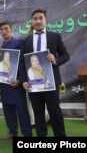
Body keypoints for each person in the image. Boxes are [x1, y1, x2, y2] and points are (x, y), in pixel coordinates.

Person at [19, 8, 69, 137]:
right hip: (34, 83)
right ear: (32, 21)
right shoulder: (26, 40)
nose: (38, 21)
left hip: (50, 82)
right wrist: (24, 80)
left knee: (55, 112)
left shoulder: (54, 36)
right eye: (35, 19)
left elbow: (65, 55)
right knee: (38, 113)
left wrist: (55, 60)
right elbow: (23, 62)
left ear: (45, 19)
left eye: (41, 18)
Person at [0, 21, 32, 140]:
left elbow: (24, 62)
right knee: (8, 109)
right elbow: (0, 66)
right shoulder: (2, 47)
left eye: (6, 29)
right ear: (0, 32)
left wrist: (20, 80)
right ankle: (13, 132)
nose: (4, 31)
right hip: (5, 84)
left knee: (22, 111)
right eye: (2, 30)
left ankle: (27, 134)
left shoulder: (19, 43)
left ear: (11, 30)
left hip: (17, 84)